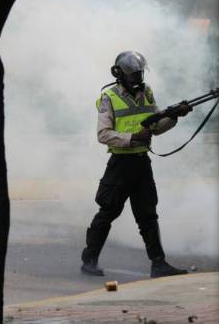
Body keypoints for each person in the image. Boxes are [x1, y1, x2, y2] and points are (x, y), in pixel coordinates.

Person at [81, 51, 193, 278]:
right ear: (119, 73)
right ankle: (89, 260)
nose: (138, 78)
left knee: (148, 215)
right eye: (133, 74)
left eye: (140, 73)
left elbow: (155, 128)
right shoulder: (108, 97)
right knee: (108, 212)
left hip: (142, 163)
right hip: (121, 164)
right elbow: (103, 134)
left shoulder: (147, 92)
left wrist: (174, 116)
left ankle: (159, 264)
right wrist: (133, 138)